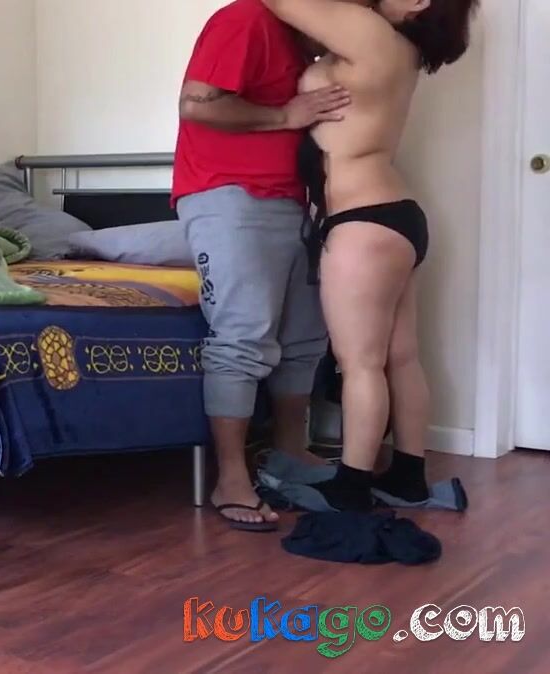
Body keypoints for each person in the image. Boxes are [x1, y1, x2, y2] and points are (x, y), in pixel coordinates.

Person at [261, 0, 478, 511]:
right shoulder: (400, 49)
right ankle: (407, 477)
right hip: (395, 218)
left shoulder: (371, 33)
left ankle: (352, 486)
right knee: (401, 358)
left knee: (359, 362)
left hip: (362, 222)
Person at [173, 0, 351, 531]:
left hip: (292, 204)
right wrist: (285, 115)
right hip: (231, 198)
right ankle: (231, 479)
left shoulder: (302, 46)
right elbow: (196, 104)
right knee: (243, 335)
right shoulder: (247, 19)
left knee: (304, 339)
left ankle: (290, 454)